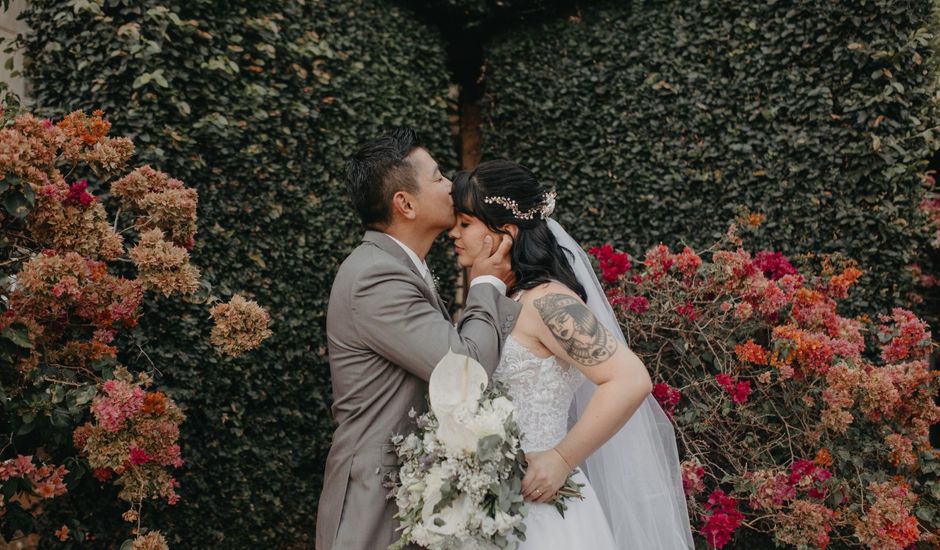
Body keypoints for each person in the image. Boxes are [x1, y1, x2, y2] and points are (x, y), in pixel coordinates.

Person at [448, 159, 695, 549]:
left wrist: (562, 459)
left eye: (465, 224)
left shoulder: (547, 302)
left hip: (543, 507)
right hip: (489, 508)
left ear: (505, 232)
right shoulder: (497, 299)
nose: (453, 233)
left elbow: (630, 379)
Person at [315, 130, 522, 550]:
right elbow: (466, 371)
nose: (451, 185)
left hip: (407, 495)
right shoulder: (376, 277)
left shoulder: (398, 267)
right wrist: (485, 283)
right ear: (404, 204)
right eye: (439, 176)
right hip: (373, 505)